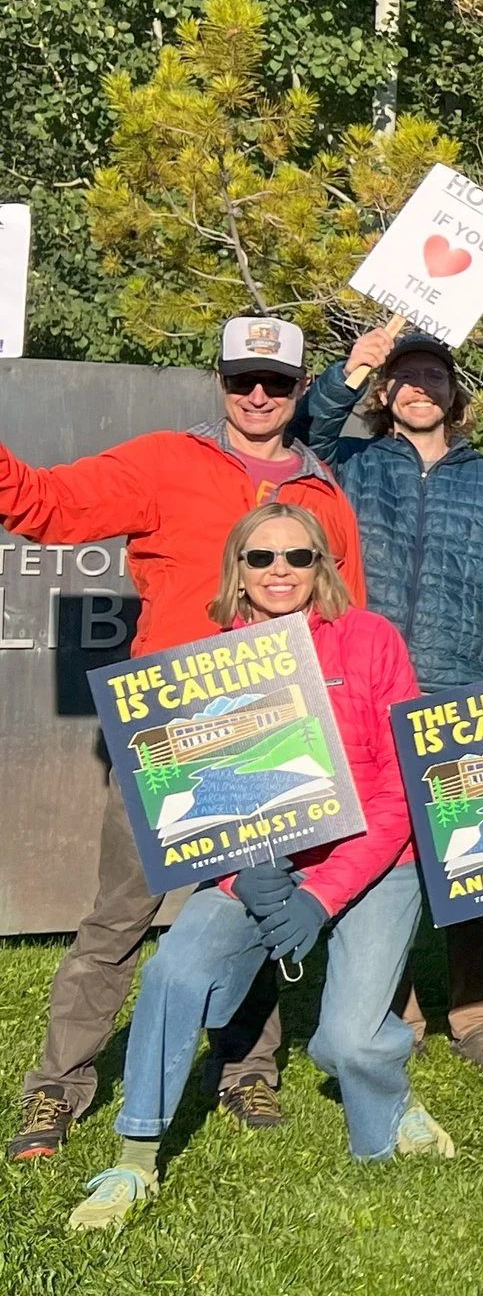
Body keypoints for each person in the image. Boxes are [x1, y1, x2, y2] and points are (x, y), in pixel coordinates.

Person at [7, 317, 367, 1161]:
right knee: (118, 917)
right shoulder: (165, 460)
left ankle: (247, 1063)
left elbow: (349, 623)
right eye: (242, 378)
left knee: (256, 904)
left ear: (298, 387)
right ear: (219, 380)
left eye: (275, 383)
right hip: (166, 735)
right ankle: (58, 1086)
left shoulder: (323, 496)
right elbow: (43, 505)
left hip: (275, 742)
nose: (257, 396)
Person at [67, 503, 443, 1229]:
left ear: (321, 566)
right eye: (261, 558)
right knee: (173, 969)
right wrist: (245, 872)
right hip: (260, 864)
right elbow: (202, 804)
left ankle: (392, 1101)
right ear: (236, 570)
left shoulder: (372, 639)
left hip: (372, 859)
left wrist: (321, 895)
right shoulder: (211, 661)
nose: (280, 572)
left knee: (348, 1042)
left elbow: (401, 792)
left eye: (297, 557)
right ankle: (135, 1157)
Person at [308, 322, 483, 1075]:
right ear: (385, 392)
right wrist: (350, 367)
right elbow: (305, 429)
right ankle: (394, 1007)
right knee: (377, 855)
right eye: (404, 378)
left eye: (433, 378)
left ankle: (475, 1013)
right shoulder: (350, 464)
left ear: (454, 394)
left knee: (470, 860)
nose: (419, 389)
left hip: (459, 690)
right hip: (365, 688)